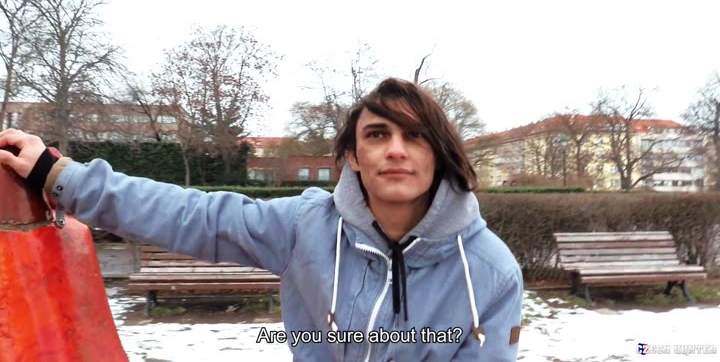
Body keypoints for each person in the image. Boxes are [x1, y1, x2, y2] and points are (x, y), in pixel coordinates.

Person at [0, 78, 523, 361]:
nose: (396, 150)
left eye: (415, 136)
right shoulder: (306, 227)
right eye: (377, 134)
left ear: (438, 152)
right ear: (353, 155)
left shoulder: (490, 271)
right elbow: (192, 215)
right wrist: (58, 175)